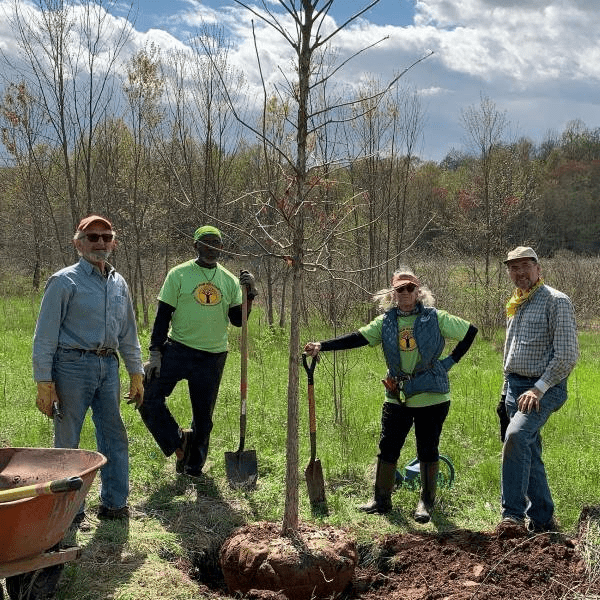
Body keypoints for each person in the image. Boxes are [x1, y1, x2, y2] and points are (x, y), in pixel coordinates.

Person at [304, 268, 477, 523]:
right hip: (397, 394)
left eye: (410, 288)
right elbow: (358, 338)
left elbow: (470, 331)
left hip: (432, 396)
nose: (405, 293)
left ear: (418, 292)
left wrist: (448, 362)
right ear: (393, 294)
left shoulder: (436, 318)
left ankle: (426, 503)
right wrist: (322, 345)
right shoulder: (385, 322)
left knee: (427, 449)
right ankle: (381, 500)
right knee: (388, 446)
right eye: (400, 289)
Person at [33, 215, 144, 521]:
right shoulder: (63, 281)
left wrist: (136, 373)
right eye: (93, 237)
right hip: (71, 365)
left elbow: (128, 333)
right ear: (78, 244)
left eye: (106, 237)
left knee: (114, 435)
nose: (100, 243)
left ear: (114, 243)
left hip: (108, 366)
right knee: (68, 440)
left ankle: (114, 503)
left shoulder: (119, 283)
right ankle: (70, 510)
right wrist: (45, 382)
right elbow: (44, 337)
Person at [138, 225, 258, 478]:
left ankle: (193, 468)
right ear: (196, 246)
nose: (211, 248)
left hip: (212, 356)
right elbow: (162, 316)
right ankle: (179, 441)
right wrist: (156, 353)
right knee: (147, 396)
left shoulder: (228, 280)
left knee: (203, 418)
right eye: (206, 243)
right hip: (178, 349)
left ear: (221, 247)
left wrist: (250, 295)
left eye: (216, 243)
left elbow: (238, 320)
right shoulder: (179, 274)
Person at [497, 246, 578, 534]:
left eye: (525, 266)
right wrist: (505, 388)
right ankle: (543, 520)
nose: (519, 273)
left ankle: (512, 516)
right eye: (513, 268)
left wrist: (539, 388)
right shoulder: (516, 302)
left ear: (538, 269)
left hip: (544, 387)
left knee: (516, 436)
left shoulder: (556, 301)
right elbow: (512, 351)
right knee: (528, 449)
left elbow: (567, 355)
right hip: (514, 387)